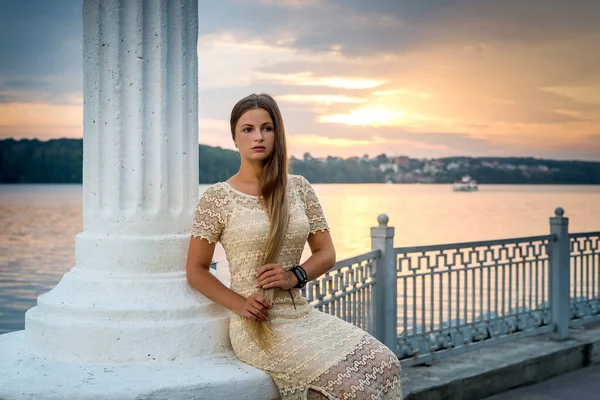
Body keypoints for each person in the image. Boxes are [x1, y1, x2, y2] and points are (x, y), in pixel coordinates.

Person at [186, 93, 402, 400]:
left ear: (278, 134)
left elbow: (326, 253)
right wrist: (239, 303)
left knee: (387, 364)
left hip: (301, 314)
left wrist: (295, 275)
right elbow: (196, 270)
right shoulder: (217, 198)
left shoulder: (299, 188)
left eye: (267, 128)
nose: (258, 136)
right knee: (350, 390)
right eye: (247, 129)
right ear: (234, 138)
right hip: (257, 325)